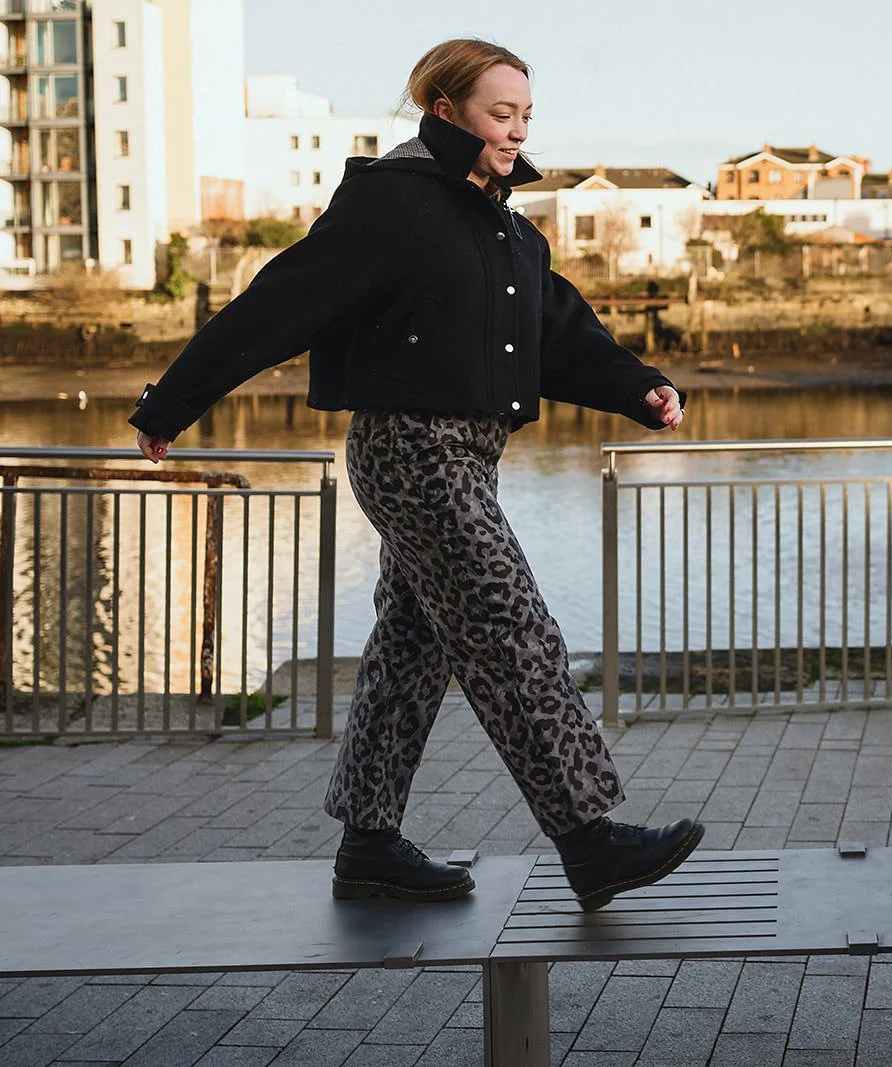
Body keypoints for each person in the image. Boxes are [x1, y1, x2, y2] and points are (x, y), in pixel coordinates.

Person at [128, 38, 703, 911]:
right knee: (512, 627)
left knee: (411, 649)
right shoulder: (391, 203)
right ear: (445, 110)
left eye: (524, 116)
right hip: (411, 449)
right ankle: (589, 843)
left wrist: (641, 387)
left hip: (471, 454)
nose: (514, 131)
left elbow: (561, 336)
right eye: (498, 113)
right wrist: (171, 403)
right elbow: (281, 299)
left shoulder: (509, 228)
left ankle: (368, 844)